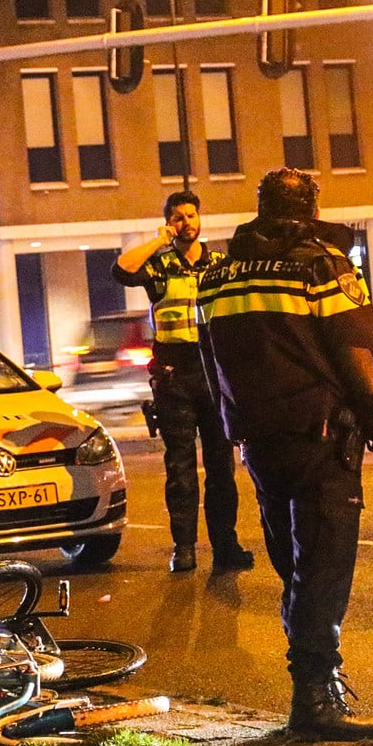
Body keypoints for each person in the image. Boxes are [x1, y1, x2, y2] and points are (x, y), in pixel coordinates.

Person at [197, 168, 373, 741]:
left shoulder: (218, 276)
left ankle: (313, 689)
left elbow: (213, 362)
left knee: (292, 565)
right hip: (322, 440)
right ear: (312, 208)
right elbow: (360, 352)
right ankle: (316, 697)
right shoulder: (322, 267)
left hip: (262, 443)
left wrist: (232, 428)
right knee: (324, 566)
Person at [113, 190, 254, 574]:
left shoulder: (219, 264)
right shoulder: (159, 266)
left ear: (200, 218)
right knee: (180, 468)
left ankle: (226, 546)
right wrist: (160, 239)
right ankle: (185, 548)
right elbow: (122, 270)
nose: (187, 222)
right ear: (169, 222)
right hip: (174, 376)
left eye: (192, 215)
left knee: (222, 467)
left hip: (213, 373)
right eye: (178, 217)